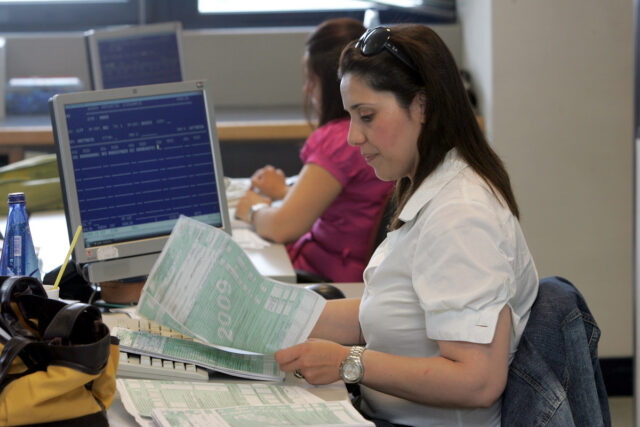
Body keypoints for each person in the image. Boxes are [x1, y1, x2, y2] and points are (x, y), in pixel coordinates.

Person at [274, 24, 539, 426]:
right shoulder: (430, 184)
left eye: (366, 116)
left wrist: (348, 361)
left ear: (422, 106)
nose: (352, 137)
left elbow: (478, 381)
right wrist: (266, 312)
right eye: (350, 117)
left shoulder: (461, 215)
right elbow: (392, 314)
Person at [235, 18, 393, 283]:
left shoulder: (339, 139)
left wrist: (253, 210)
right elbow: (348, 204)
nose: (306, 90)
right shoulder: (372, 131)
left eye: (311, 80)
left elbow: (282, 227)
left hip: (322, 279)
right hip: (337, 270)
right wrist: (286, 193)